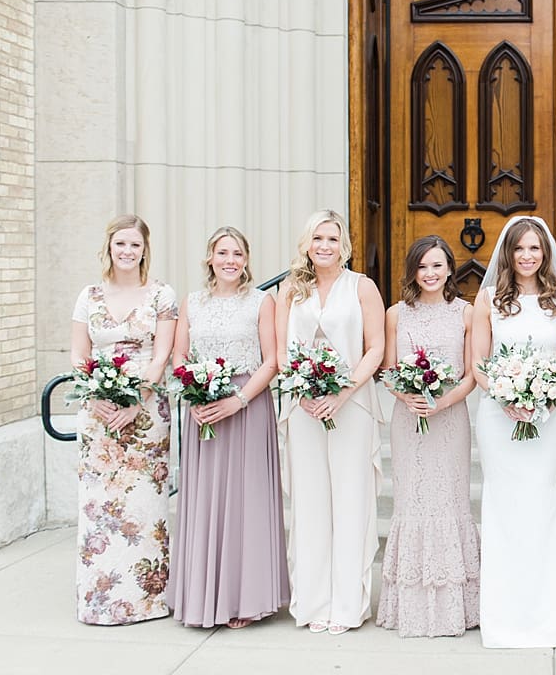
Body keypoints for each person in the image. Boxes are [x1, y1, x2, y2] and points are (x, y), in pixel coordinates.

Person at [471, 216, 556, 648]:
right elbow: (479, 363)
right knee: (502, 505)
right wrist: (505, 396)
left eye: (535, 248)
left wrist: (543, 399)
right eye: (520, 248)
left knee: (540, 498)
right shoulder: (488, 300)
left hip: (548, 415)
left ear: (546, 253)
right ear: (508, 253)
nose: (527, 256)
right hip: (498, 418)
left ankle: (551, 610)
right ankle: (505, 614)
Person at [169, 226, 289, 628]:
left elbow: (272, 360)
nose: (230, 260)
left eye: (238, 253)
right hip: (203, 405)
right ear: (210, 258)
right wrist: (194, 390)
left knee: (245, 500)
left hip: (247, 406)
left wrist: (237, 400)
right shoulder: (192, 302)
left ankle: (243, 599)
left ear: (246, 260)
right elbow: (180, 353)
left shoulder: (261, 302)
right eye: (223, 253)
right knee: (205, 500)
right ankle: (202, 597)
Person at [275, 209, 385, 635]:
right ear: (306, 244)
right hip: (303, 409)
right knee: (310, 503)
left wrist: (341, 392)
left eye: (333, 239)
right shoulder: (291, 290)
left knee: (350, 500)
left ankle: (347, 605)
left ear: (345, 246)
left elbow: (374, 348)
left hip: (351, 406)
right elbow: (284, 350)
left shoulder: (362, 287)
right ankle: (314, 602)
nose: (325, 246)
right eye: (317, 238)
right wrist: (301, 389)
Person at [71, 214, 176, 625]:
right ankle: (99, 599)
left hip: (146, 413)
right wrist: (96, 397)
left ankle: (146, 600)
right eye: (121, 244)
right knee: (99, 507)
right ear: (109, 248)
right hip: (97, 414)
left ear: (144, 249)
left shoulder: (161, 295)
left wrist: (137, 402)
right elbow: (79, 356)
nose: (127, 251)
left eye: (135, 244)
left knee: (144, 506)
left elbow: (163, 354)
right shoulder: (89, 295)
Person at [377, 235, 480, 636]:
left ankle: (458, 607)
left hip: (450, 419)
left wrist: (441, 402)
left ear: (450, 269)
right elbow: (387, 369)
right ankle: (412, 607)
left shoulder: (466, 313)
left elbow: (472, 374)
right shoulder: (396, 314)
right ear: (413, 271)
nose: (430, 273)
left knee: (450, 500)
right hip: (409, 421)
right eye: (423, 266)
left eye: (437, 265)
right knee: (412, 500)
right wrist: (409, 395)